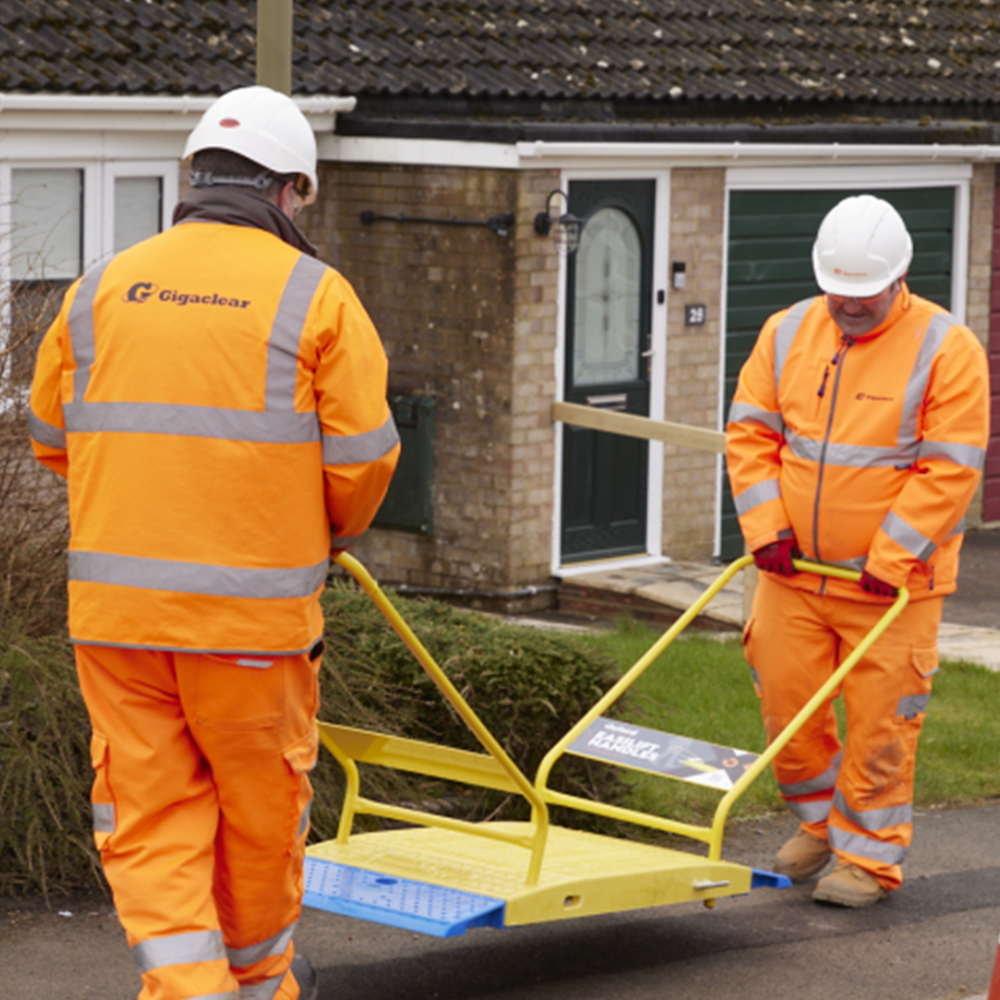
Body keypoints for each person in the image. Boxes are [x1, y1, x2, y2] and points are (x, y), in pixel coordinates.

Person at [28, 85, 400, 999]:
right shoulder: (316, 294)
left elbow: (50, 436)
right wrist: (323, 531)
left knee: (148, 811)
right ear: (294, 192)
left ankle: (193, 990)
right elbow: (362, 461)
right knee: (258, 810)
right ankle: (260, 979)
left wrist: (147, 500)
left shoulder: (102, 285)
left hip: (117, 621)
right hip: (250, 623)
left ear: (194, 179)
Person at [725, 194, 989, 908]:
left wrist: (891, 560)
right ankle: (822, 825)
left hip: (892, 588)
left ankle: (867, 863)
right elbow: (750, 435)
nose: (847, 306)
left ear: (898, 278)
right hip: (794, 573)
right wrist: (766, 531)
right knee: (786, 710)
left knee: (880, 724)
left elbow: (951, 468)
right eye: (836, 292)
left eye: (862, 295)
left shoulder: (946, 348)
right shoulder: (786, 333)